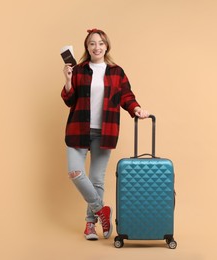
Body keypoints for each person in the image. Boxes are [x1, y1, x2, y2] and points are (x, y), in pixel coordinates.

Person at [61, 28, 150, 241]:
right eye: (92, 43)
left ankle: (90, 225)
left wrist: (136, 109)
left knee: (96, 180)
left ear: (106, 46)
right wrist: (67, 79)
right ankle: (102, 211)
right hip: (78, 129)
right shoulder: (79, 70)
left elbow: (127, 96)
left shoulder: (116, 71)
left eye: (100, 43)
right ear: (87, 47)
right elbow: (69, 100)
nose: (97, 47)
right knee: (75, 172)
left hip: (105, 130)